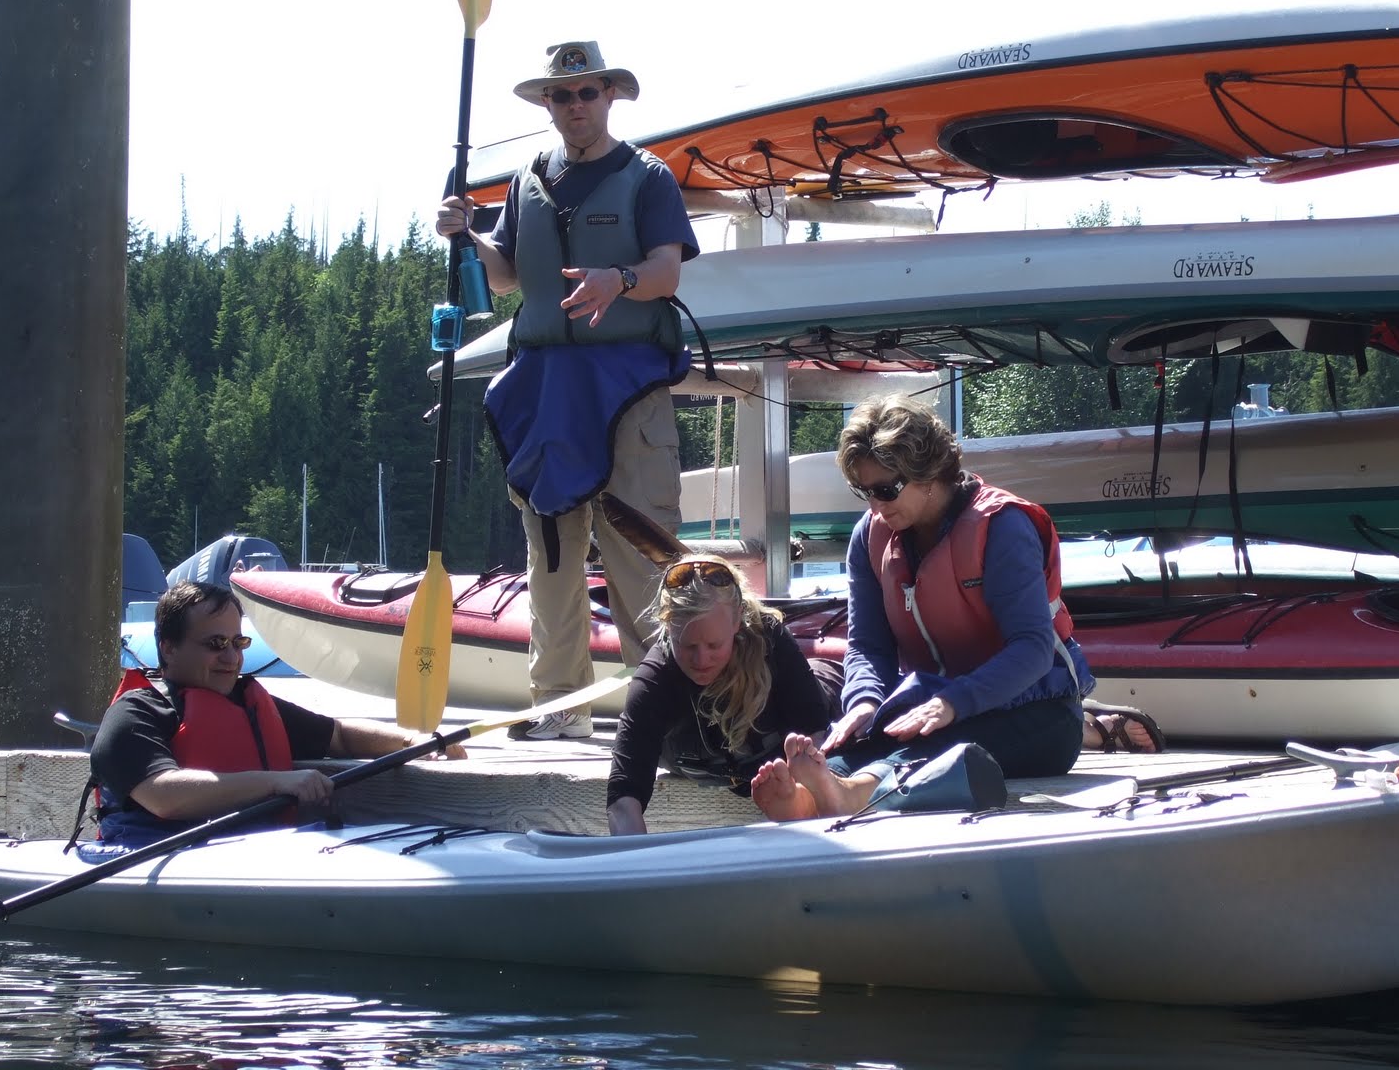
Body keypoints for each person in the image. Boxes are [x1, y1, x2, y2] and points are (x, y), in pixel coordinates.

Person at [435, 40, 699, 740]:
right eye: (562, 95)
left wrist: (622, 281)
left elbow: (669, 272)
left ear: (610, 96)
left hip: (628, 384)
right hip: (549, 387)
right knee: (551, 552)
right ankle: (557, 705)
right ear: (547, 105)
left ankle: (662, 713)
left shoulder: (648, 177)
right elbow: (505, 276)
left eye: (587, 92)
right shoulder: (527, 180)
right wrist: (469, 238)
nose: (575, 105)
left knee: (642, 554)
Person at [752, 394, 1097, 821]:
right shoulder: (870, 537)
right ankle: (817, 790)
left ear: (929, 472)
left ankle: (851, 794)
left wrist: (953, 702)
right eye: (864, 491)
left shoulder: (1003, 527)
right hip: (932, 708)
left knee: (942, 745)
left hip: (1036, 714)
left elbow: (1032, 648)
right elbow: (867, 646)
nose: (875, 505)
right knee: (861, 741)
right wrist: (862, 701)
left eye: (886, 489)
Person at [90, 581, 464, 848]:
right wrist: (276, 782)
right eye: (215, 644)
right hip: (155, 853)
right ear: (168, 649)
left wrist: (415, 741)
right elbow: (163, 796)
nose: (231, 658)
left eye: (238, 643)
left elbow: (339, 736)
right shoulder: (136, 713)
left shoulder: (246, 702)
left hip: (248, 851)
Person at [606, 554, 843, 835]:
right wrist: (637, 869)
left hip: (814, 705)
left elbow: (814, 728)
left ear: (737, 621)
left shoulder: (770, 639)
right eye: (688, 646)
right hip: (711, 761)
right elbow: (623, 796)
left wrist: (802, 792)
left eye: (714, 644)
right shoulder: (655, 678)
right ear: (668, 629)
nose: (701, 659)